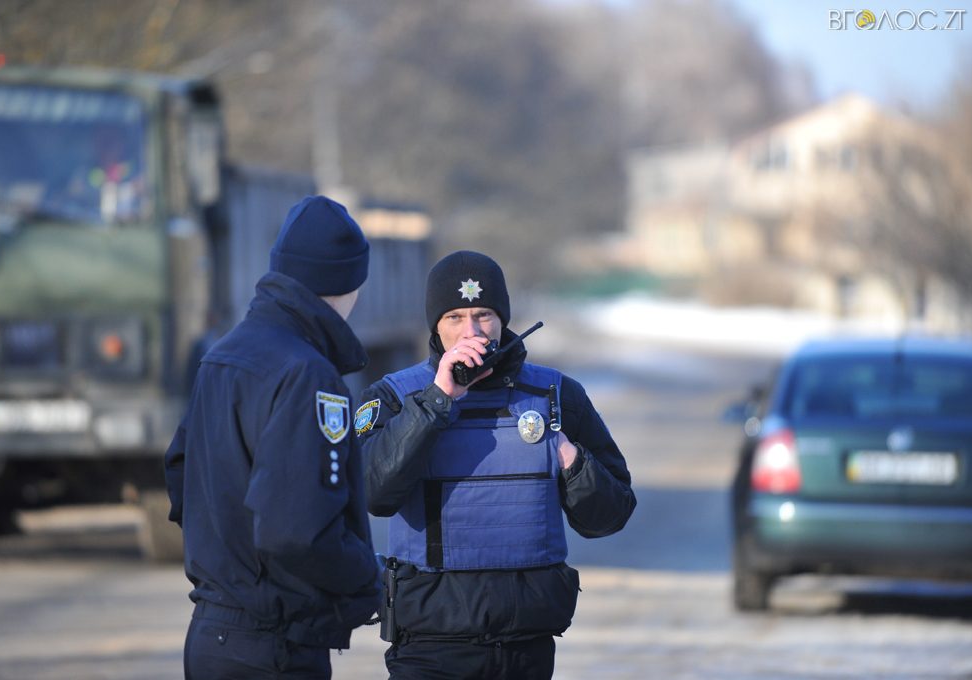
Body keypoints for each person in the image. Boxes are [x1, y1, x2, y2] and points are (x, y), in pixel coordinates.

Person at [357, 250, 636, 679]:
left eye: (483, 315)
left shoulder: (556, 396)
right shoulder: (395, 397)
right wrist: (437, 401)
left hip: (524, 648)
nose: (470, 331)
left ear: (503, 319)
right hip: (430, 645)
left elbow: (611, 515)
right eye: (454, 317)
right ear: (435, 325)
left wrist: (571, 459)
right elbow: (373, 494)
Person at [164, 195, 381, 680]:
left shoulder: (223, 355)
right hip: (273, 645)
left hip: (212, 634)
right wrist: (370, 576)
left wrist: (230, 557)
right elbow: (297, 533)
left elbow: (180, 473)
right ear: (350, 283)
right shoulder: (308, 374)